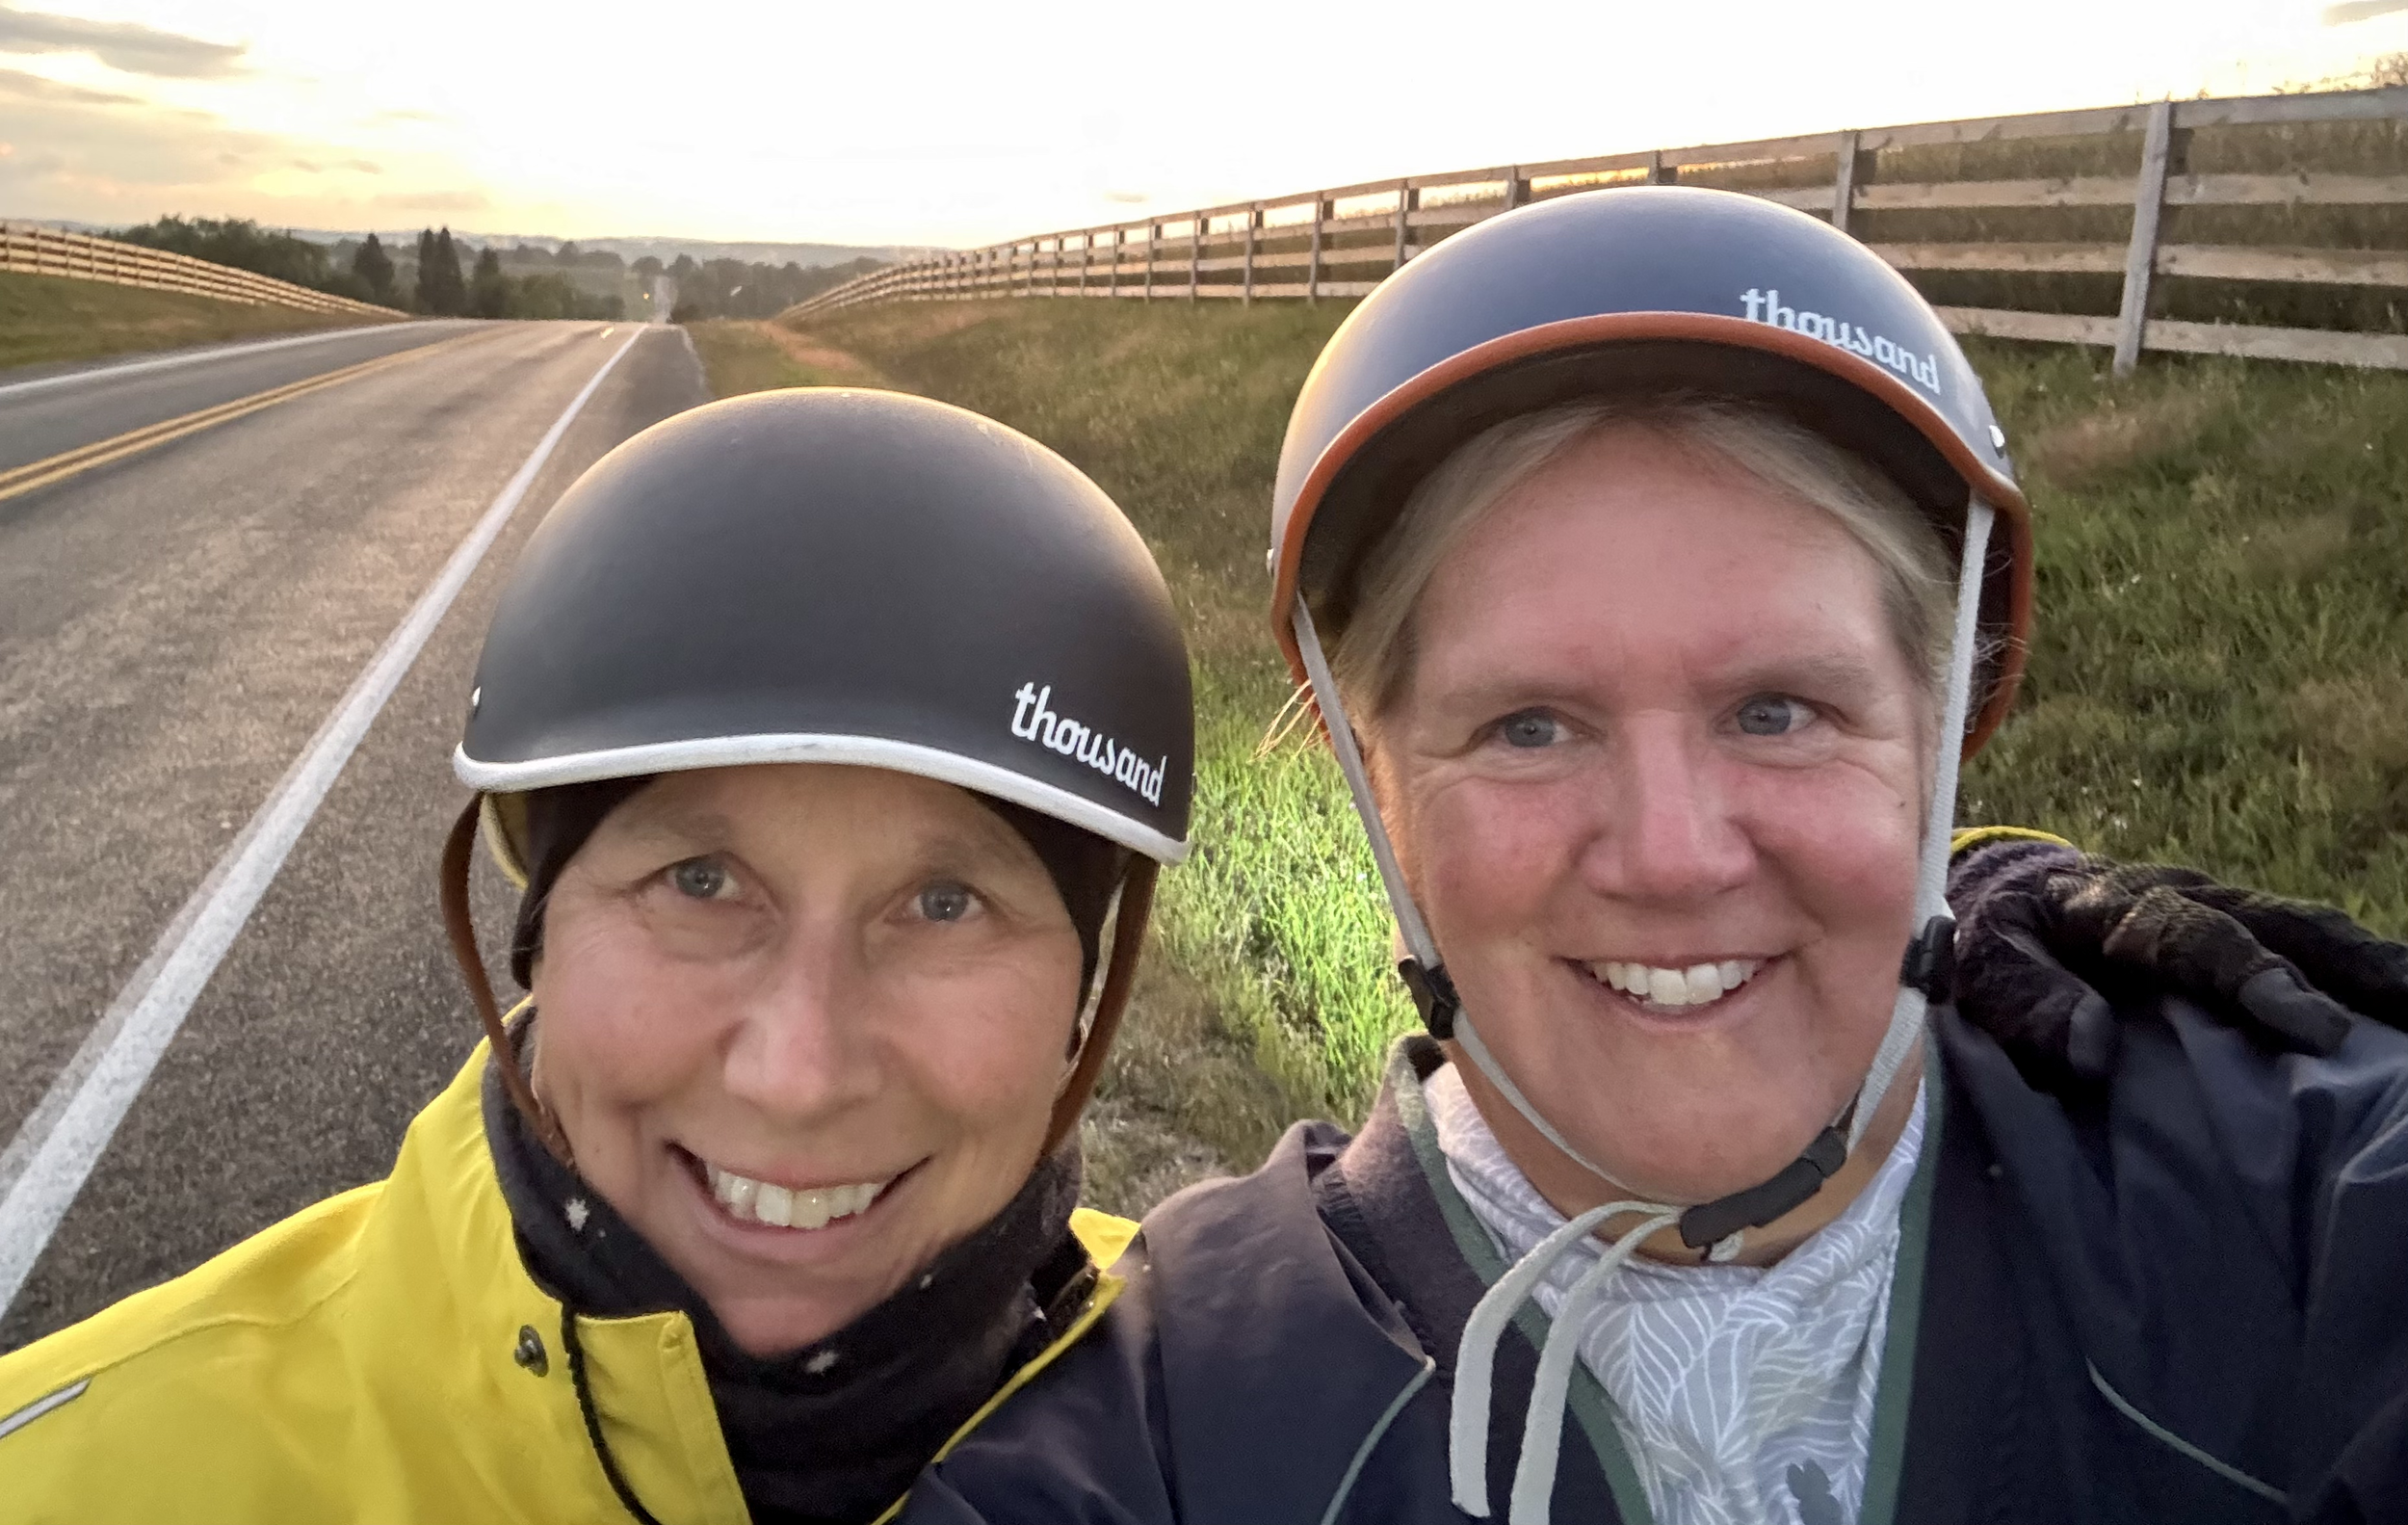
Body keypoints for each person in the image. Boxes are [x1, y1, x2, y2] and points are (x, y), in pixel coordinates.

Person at [900, 187, 2408, 1524]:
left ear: (1940, 735)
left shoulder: (2300, 1198)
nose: (1674, 857)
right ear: (1376, 787)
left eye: (1779, 710)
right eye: (1532, 727)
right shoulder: (1164, 1434)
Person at [0, 388, 1195, 1525]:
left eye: (944, 902)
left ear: (1084, 999)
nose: (797, 1071)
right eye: (699, 882)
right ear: (539, 938)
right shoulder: (72, 1475)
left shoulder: (1230, 1431)